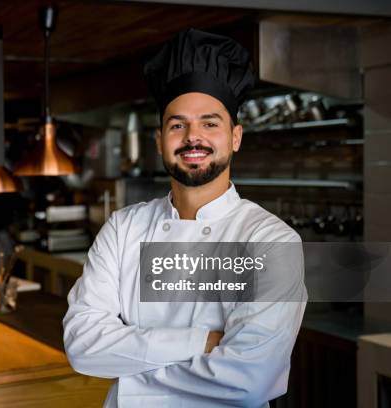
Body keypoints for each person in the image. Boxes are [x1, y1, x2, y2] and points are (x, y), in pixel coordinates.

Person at [62, 29, 307, 407]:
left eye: (210, 123)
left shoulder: (271, 242)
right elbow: (82, 345)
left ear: (236, 136)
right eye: (178, 125)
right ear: (160, 139)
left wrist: (130, 381)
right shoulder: (123, 228)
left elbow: (249, 381)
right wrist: (204, 341)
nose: (194, 138)